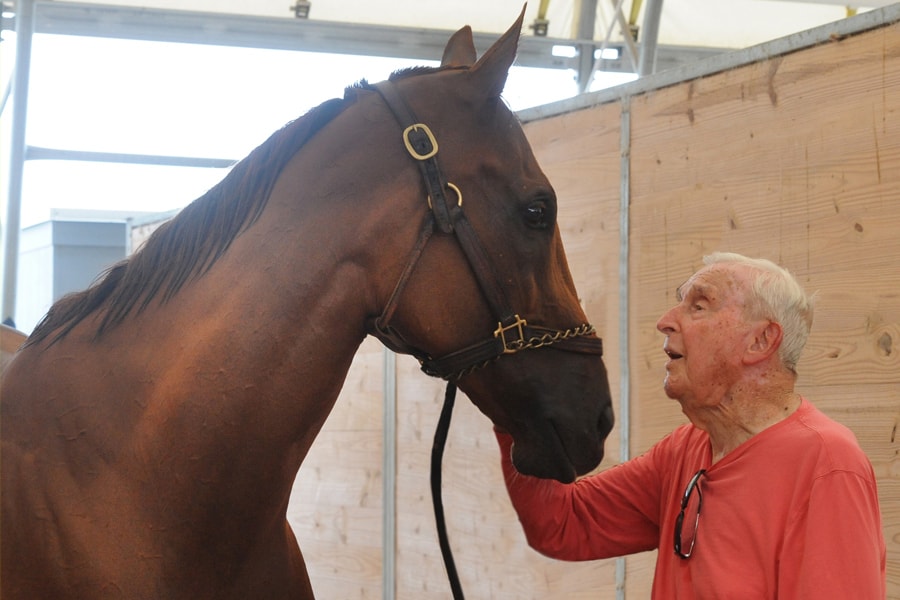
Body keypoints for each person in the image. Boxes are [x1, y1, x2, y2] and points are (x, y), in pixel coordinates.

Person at [497, 251, 886, 598]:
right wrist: (514, 406)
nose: (665, 322)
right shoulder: (686, 448)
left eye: (699, 306)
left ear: (760, 341)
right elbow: (563, 524)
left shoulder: (827, 466)